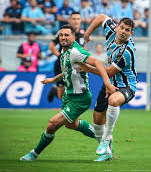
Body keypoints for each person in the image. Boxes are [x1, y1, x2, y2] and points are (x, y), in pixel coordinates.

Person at [20, 24, 117, 161]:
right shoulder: (65, 51)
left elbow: (98, 63)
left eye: (67, 35)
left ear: (73, 37)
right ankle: (105, 137)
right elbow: (68, 71)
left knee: (52, 124)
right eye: (61, 35)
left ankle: (34, 154)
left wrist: (107, 83)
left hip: (80, 98)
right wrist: (54, 79)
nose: (63, 37)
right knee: (71, 124)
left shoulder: (75, 51)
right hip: (69, 96)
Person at [79, 14, 137, 161]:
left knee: (113, 100)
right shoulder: (112, 31)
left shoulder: (127, 51)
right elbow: (101, 17)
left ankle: (106, 139)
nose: (123, 31)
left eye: (127, 30)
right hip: (109, 82)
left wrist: (88, 68)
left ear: (131, 33)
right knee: (97, 121)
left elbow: (110, 71)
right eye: (122, 27)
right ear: (117, 27)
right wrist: (87, 34)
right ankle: (107, 153)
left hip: (126, 86)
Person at [48, 11, 85, 101]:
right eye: (74, 19)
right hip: (61, 65)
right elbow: (51, 46)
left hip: (75, 66)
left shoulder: (82, 34)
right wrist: (60, 56)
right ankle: (56, 91)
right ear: (70, 20)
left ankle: (71, 113)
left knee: (75, 92)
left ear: (81, 20)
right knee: (61, 95)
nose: (76, 21)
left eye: (78, 19)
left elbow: (84, 49)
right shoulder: (63, 32)